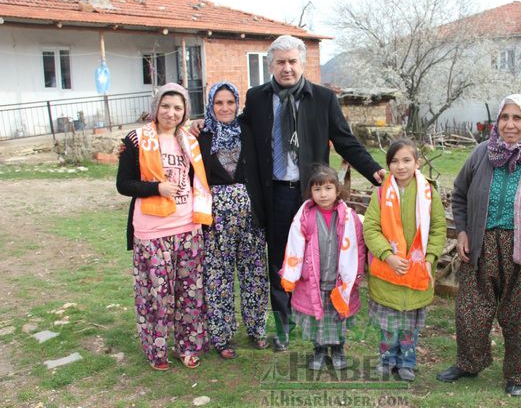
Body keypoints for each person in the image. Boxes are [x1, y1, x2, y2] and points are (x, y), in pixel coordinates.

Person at [191, 34, 385, 351]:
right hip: (275, 195)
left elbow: (345, 140)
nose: (287, 68)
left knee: (320, 262)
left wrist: (374, 169)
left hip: (315, 197)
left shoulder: (323, 99)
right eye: (280, 62)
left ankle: (320, 321)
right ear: (271, 65)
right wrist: (204, 123)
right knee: (281, 262)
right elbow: (234, 126)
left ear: (302, 65)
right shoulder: (256, 97)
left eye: (292, 61)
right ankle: (283, 327)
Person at [436, 94, 521, 396]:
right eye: (504, 118)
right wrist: (462, 231)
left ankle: (518, 374)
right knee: (471, 312)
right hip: (482, 246)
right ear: (497, 121)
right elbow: (459, 194)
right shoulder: (481, 154)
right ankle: (469, 363)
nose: (509, 125)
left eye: (517, 118)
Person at [116, 83, 212, 371]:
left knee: (190, 293)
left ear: (185, 113)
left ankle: (189, 347)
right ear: (156, 107)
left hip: (188, 229)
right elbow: (123, 184)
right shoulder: (135, 139)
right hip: (152, 232)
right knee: (157, 296)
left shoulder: (190, 141)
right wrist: (156, 187)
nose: (171, 113)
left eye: (178, 108)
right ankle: (157, 350)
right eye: (166, 106)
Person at [363, 139, 446, 382]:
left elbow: (438, 228)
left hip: (417, 269)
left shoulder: (429, 194)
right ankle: (386, 360)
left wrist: (430, 258)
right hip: (389, 271)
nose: (401, 166)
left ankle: (407, 362)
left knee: (409, 325)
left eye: (406, 160)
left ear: (417, 163)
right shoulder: (380, 194)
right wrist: (387, 256)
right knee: (389, 324)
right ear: (388, 165)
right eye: (395, 161)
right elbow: (371, 228)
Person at [198, 81, 269, 359]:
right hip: (215, 220)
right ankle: (222, 335)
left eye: (230, 102)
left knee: (254, 275)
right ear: (210, 106)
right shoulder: (201, 135)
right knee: (218, 277)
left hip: (251, 216)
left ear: (237, 103)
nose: (225, 108)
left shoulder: (248, 131)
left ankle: (256, 328)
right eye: (218, 103)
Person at [280, 164, 366, 370]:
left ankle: (338, 350)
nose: (323, 194)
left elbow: (359, 248)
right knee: (317, 318)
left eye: (328, 188)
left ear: (338, 190)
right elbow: (294, 246)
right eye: (317, 189)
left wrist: (357, 275)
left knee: (338, 317)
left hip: (339, 281)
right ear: (311, 192)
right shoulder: (305, 217)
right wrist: (294, 274)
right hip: (314, 281)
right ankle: (319, 351)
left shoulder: (349, 218)